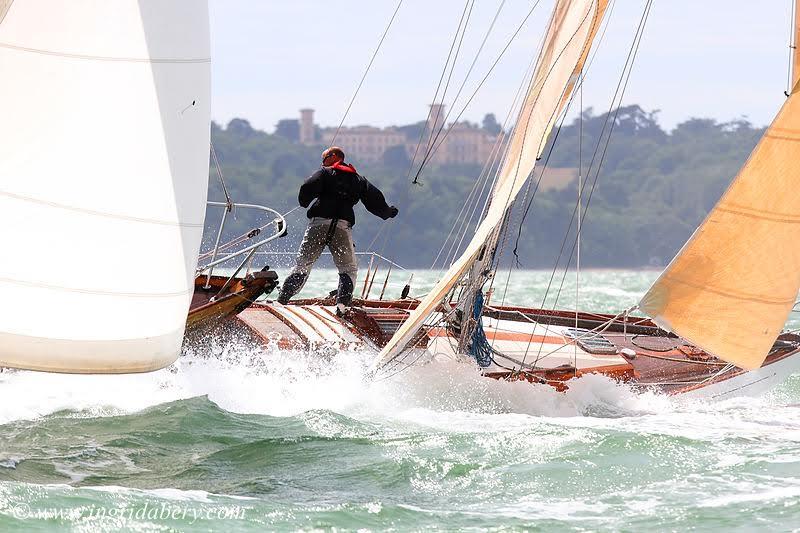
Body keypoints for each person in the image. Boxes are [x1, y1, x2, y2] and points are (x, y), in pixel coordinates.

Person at [277, 146, 398, 313]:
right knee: (348, 269)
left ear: (334, 156)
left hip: (318, 225)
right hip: (342, 227)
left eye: (324, 158)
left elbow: (307, 187)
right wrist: (387, 212)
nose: (322, 162)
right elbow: (374, 198)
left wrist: (304, 201)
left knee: (303, 265)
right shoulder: (358, 179)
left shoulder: (324, 173)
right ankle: (341, 306)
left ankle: (282, 300)